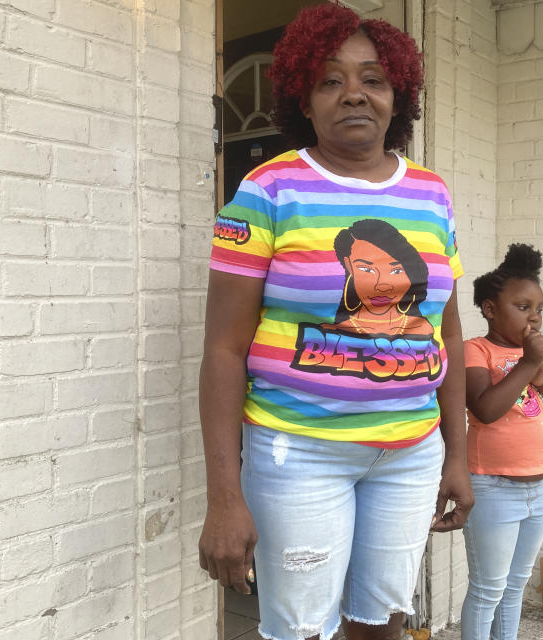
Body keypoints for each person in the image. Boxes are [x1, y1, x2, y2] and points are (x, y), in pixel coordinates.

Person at [197, 5, 473, 640]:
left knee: (381, 624)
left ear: (396, 94)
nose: (354, 93)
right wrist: (224, 496)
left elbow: (448, 334)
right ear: (305, 97)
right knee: (302, 633)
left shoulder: (431, 195)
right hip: (299, 455)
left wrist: (456, 454)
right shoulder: (267, 191)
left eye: (373, 79)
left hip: (409, 455)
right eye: (330, 80)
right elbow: (223, 350)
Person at [460, 244, 543, 640]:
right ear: (490, 308)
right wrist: (529, 364)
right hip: (494, 488)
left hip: (537, 490)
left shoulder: (541, 356)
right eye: (522, 306)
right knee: (487, 590)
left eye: (538, 308)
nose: (534, 316)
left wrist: (542, 375)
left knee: (514, 588)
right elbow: (484, 409)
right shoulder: (475, 351)